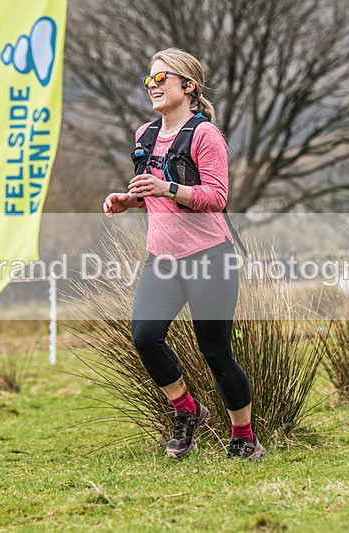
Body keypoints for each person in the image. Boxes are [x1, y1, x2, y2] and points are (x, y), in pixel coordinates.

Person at [102, 48, 265, 461]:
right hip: (163, 257)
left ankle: (244, 437)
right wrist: (128, 200)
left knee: (215, 350)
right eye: (149, 81)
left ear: (188, 86)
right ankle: (187, 411)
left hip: (210, 255)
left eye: (162, 78)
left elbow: (216, 196)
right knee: (144, 336)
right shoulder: (144, 135)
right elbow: (150, 191)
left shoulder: (205, 134)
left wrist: (167, 190)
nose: (153, 86)